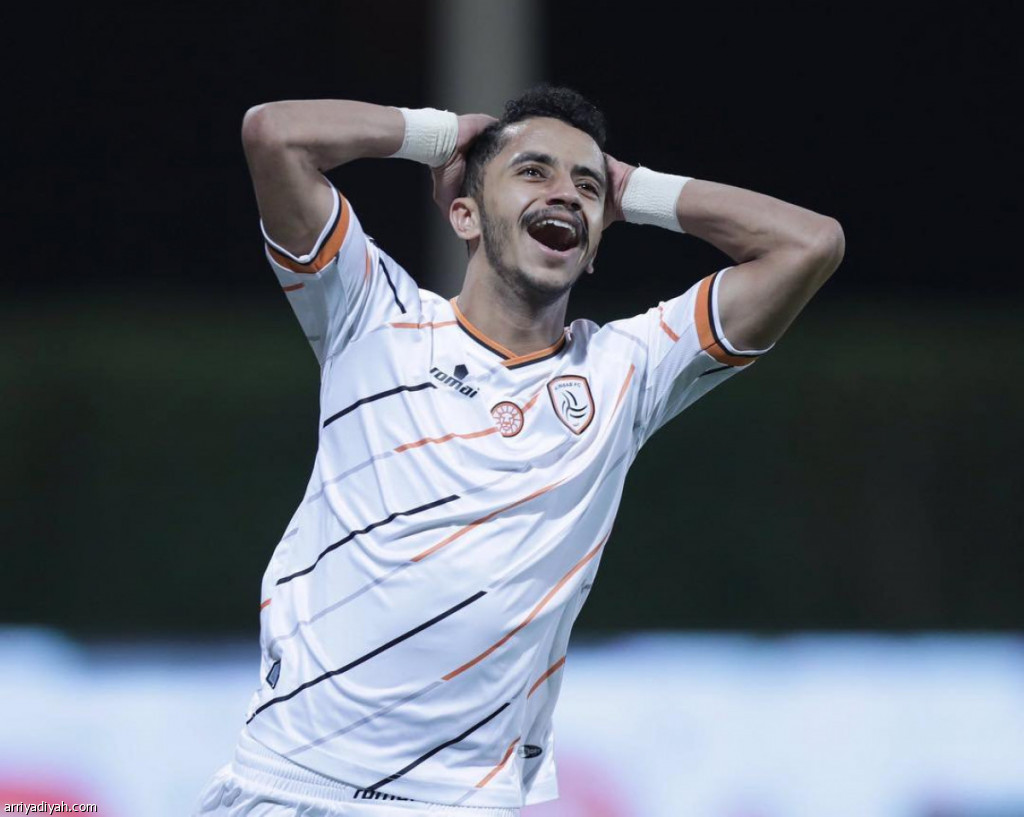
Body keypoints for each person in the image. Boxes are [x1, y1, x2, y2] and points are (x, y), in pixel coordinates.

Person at [193, 85, 844, 816]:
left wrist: (635, 190)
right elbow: (276, 134)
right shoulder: (372, 314)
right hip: (287, 784)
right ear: (464, 214)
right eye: (533, 171)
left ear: (595, 246)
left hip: (465, 803)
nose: (564, 192)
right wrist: (443, 136)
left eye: (586, 186)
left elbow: (809, 243)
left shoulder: (626, 371)